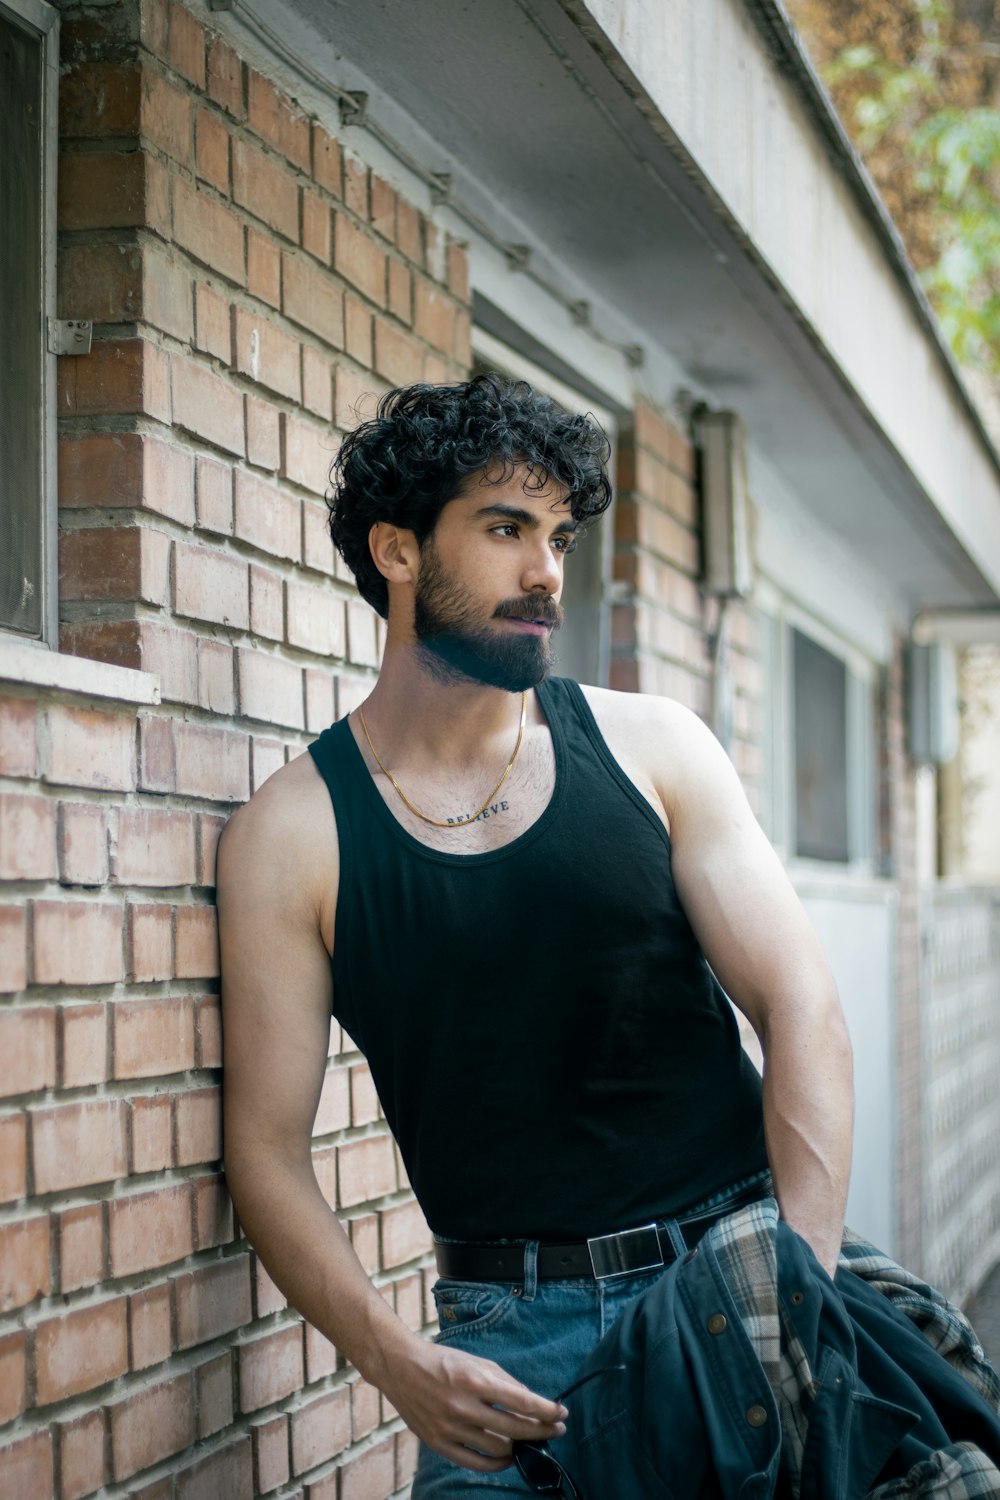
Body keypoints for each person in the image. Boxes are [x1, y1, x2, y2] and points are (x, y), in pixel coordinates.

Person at [217, 374, 854, 1495]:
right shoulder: (292, 833)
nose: (546, 571)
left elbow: (801, 1005)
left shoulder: (656, 747)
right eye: (506, 529)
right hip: (500, 1343)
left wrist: (795, 1285)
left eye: (557, 535)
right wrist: (391, 1357)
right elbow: (266, 1151)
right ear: (399, 550)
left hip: (727, 1283)